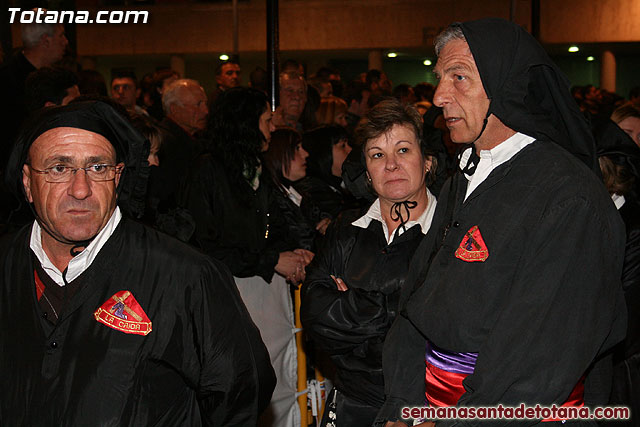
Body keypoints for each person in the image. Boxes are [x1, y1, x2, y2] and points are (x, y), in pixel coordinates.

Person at [377, 18, 626, 427]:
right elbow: (416, 301)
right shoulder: (466, 176)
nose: (439, 95)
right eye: (439, 78)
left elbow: (536, 360)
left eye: (459, 78)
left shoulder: (568, 199)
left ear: (505, 84)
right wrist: (402, 406)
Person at [0, 100, 276, 425]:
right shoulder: (6, 264)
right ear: (28, 182)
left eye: (97, 167)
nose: (80, 189)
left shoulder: (186, 275)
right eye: (59, 168)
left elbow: (242, 390)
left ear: (118, 177)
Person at [301, 99, 437, 427]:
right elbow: (315, 315)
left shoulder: (450, 233)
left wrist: (350, 306)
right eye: (377, 155)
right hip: (352, 403)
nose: (390, 165)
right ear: (366, 171)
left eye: (403, 150)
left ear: (428, 161)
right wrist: (399, 308)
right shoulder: (347, 228)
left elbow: (451, 330)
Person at [181, 87, 312, 427]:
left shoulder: (256, 168)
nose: (272, 128)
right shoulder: (208, 172)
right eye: (266, 121)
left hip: (267, 293)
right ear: (244, 125)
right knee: (246, 383)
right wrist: (271, 260)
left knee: (279, 379)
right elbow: (205, 248)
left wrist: (291, 252)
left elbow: (273, 225)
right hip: (232, 294)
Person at [263, 128, 320, 250]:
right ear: (279, 154)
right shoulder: (270, 200)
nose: (305, 154)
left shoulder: (300, 194)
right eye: (297, 148)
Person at [295, 125, 354, 222]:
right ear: (325, 153)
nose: (349, 150)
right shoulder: (316, 192)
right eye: (343, 146)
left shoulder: (335, 185)